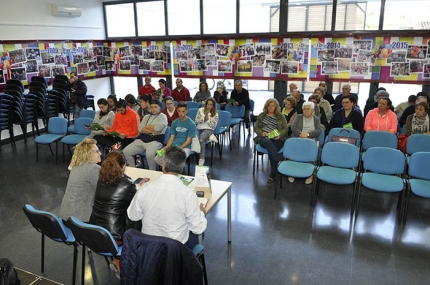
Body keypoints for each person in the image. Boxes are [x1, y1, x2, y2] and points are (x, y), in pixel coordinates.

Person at [127, 146, 207, 249]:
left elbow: (133, 216)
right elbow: (198, 228)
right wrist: (201, 213)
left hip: (149, 247)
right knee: (198, 233)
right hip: (175, 249)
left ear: (163, 164)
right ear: (181, 167)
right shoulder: (187, 194)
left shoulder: (145, 188)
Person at [89, 151, 137, 241]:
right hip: (115, 235)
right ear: (123, 165)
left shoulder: (101, 179)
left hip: (95, 229)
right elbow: (135, 207)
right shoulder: (128, 185)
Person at [59, 139, 101, 222]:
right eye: (97, 151)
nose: (100, 153)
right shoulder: (93, 168)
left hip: (65, 217)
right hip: (79, 221)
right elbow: (104, 191)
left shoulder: (76, 165)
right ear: (88, 153)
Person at [123, 99, 168, 170]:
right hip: (143, 139)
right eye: (152, 107)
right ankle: (133, 169)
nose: (153, 109)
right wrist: (151, 130)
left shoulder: (163, 116)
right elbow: (140, 129)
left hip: (156, 140)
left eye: (155, 107)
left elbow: (157, 128)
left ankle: (152, 171)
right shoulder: (146, 116)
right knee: (126, 151)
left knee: (149, 154)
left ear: (160, 107)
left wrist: (146, 127)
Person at [254, 99, 288, 184]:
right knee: (268, 143)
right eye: (269, 106)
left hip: (277, 137)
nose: (270, 107)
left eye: (272, 106)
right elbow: (256, 128)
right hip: (264, 137)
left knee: (272, 148)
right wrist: (262, 133)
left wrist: (279, 135)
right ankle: (275, 167)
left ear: (276, 107)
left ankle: (273, 172)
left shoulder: (280, 116)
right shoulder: (262, 115)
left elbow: (285, 128)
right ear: (266, 107)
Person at [154, 102, 196, 167]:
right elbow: (171, 138)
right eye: (179, 111)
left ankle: (173, 171)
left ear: (187, 111)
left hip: (184, 147)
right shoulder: (175, 122)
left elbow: (188, 141)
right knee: (157, 159)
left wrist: (179, 149)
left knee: (175, 160)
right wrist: (167, 146)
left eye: (183, 111)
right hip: (174, 146)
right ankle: (170, 170)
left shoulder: (191, 124)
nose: (180, 114)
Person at [290, 102, 322, 185]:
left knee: (312, 151)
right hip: (298, 138)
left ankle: (310, 174)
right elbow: (293, 127)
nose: (306, 111)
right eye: (304, 109)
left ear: (312, 110)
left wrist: (308, 134)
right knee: (294, 151)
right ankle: (292, 172)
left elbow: (319, 130)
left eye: (308, 109)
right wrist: (300, 134)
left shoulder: (316, 119)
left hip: (311, 139)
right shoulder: (298, 117)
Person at [195, 97, 218, 166]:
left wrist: (207, 120)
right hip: (199, 128)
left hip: (209, 129)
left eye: (211, 105)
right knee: (194, 138)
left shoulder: (215, 113)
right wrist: (203, 119)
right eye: (208, 104)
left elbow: (213, 126)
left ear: (213, 106)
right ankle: (210, 137)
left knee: (201, 139)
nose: (209, 106)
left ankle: (202, 158)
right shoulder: (200, 110)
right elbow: (196, 120)